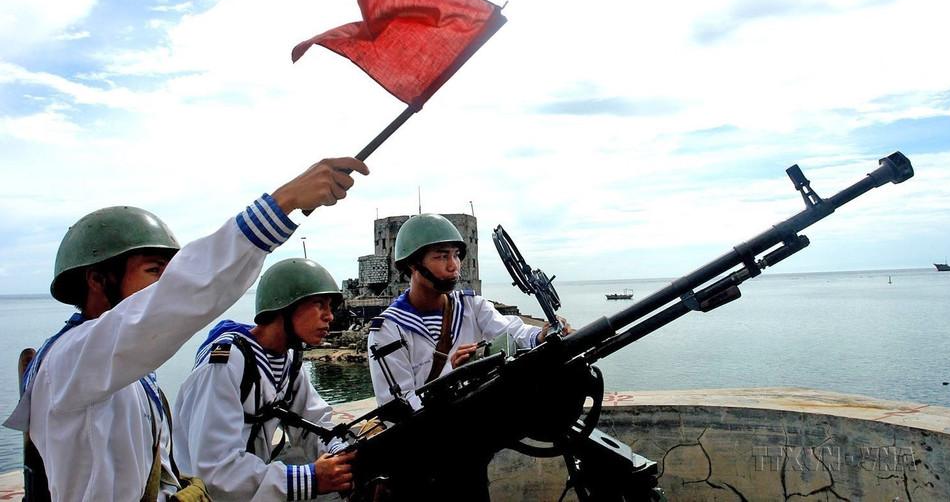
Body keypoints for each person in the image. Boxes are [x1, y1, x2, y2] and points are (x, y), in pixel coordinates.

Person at [3, 156, 368, 502]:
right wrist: (283, 202)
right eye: (154, 270)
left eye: (169, 272)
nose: (166, 284)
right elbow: (181, 295)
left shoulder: (122, 372)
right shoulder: (71, 361)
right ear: (98, 280)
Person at [173, 258, 355, 501]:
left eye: (330, 306)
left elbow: (313, 423)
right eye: (319, 304)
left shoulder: (287, 361)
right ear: (285, 307)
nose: (329, 316)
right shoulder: (226, 364)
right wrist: (309, 479)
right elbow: (215, 469)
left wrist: (339, 450)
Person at [367, 213, 569, 410]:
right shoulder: (389, 330)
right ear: (413, 264)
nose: (453, 266)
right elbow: (398, 408)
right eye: (442, 256)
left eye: (456, 255)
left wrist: (540, 336)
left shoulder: (471, 306)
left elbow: (511, 333)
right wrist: (453, 377)